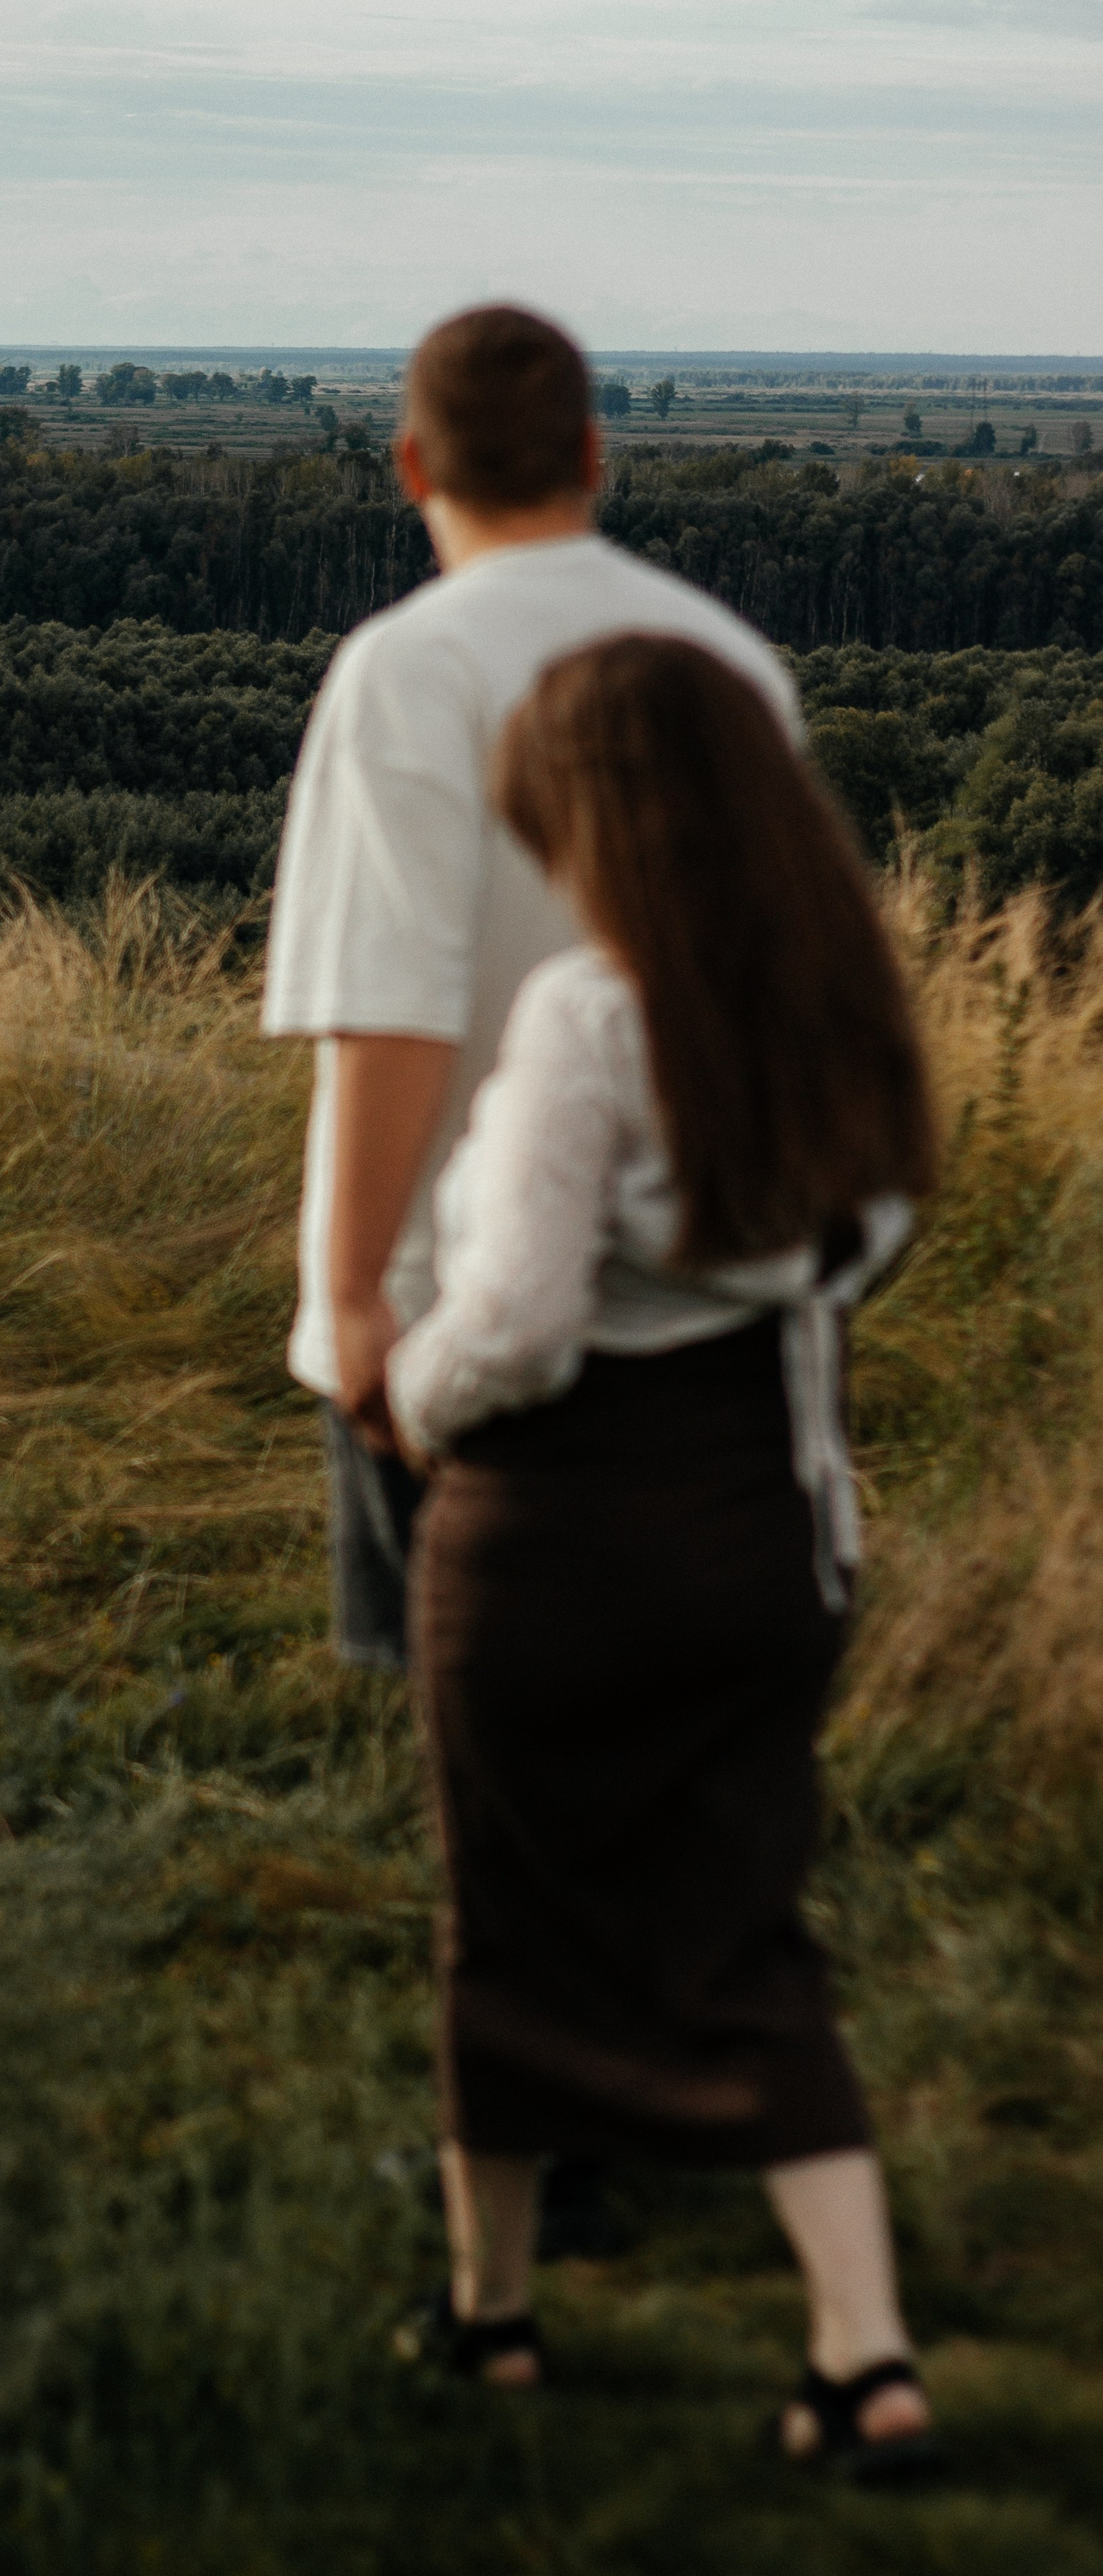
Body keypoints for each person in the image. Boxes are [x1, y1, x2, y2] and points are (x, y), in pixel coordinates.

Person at [385, 634, 941, 2481]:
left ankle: (492, 2319)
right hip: (767, 1524)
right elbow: (867, 1245)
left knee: (512, 1912)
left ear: (597, 821)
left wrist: (411, 1390)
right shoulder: (836, 997)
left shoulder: (585, 1016)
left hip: (558, 1531)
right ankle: (863, 2355)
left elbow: (522, 1320)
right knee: (740, 1914)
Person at [261, 305, 800, 1677]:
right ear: (593, 453)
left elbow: (390, 1013)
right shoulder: (732, 659)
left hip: (468, 1303)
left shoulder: (405, 668)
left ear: (412, 468)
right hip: (710, 1288)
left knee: (472, 1719)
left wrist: (353, 1301)